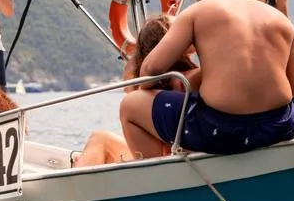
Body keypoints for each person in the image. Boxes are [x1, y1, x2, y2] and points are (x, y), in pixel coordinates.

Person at [119, 0, 294, 158]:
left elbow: (150, 70)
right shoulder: (281, 20)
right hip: (281, 125)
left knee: (130, 105)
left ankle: (162, 174)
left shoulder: (199, 11)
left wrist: (152, 92)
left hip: (221, 132)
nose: (201, 3)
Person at [73, 14, 200, 167]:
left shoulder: (147, 90)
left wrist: (144, 53)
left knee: (100, 139)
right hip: (175, 159)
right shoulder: (192, 78)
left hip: (163, 160)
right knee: (100, 138)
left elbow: (130, 82)